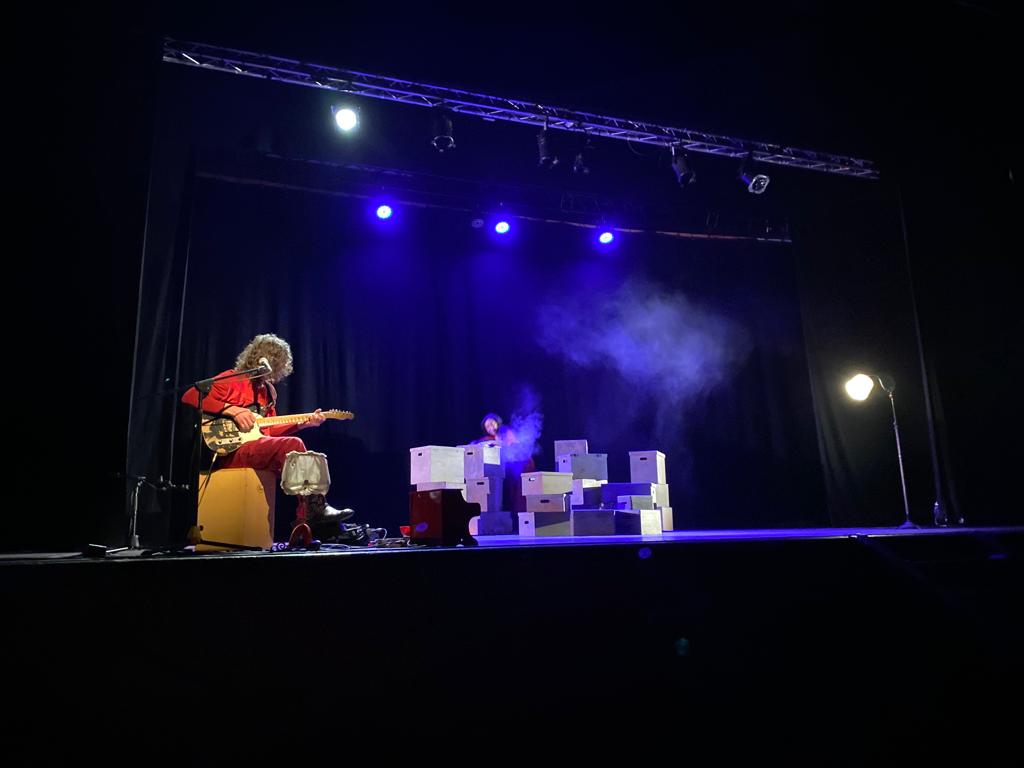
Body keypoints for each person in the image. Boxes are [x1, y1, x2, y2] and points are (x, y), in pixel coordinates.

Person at [181, 333, 350, 533]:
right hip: (228, 451)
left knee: (299, 454)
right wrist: (231, 410)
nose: (279, 372)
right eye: (279, 364)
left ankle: (306, 519)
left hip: (254, 449)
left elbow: (269, 433)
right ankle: (313, 513)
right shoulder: (233, 379)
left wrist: (303, 424)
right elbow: (190, 395)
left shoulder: (268, 391)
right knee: (294, 445)